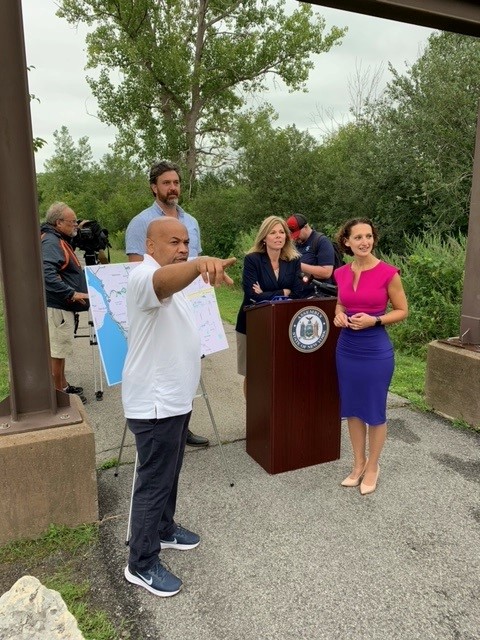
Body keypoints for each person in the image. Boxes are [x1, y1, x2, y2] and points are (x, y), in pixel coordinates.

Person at [122, 217, 235, 597]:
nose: (183, 248)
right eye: (173, 241)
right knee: (153, 483)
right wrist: (198, 265)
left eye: (187, 242)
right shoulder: (143, 276)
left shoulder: (178, 279)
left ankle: (164, 529)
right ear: (150, 246)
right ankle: (140, 563)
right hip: (154, 405)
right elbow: (159, 285)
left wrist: (195, 272)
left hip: (175, 401)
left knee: (169, 474)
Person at [125, 160, 208, 448]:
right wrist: (196, 267)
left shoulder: (191, 220)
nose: (173, 187)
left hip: (188, 300)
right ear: (154, 187)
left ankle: (182, 425)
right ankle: (168, 428)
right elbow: (147, 275)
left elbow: (191, 265)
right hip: (157, 306)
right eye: (166, 183)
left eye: (176, 182)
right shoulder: (141, 223)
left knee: (185, 365)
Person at [333, 218, 408, 495]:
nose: (365, 242)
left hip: (375, 350)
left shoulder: (388, 273)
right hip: (346, 348)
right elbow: (341, 303)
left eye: (369, 236)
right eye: (358, 237)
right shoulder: (340, 273)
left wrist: (375, 321)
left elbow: (402, 310)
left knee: (374, 411)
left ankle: (373, 466)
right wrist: (339, 315)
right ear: (347, 242)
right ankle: (358, 462)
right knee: (352, 409)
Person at [235, 215, 303, 395]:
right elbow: (251, 295)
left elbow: (297, 292)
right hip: (252, 325)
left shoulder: (293, 260)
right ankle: (253, 416)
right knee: (253, 374)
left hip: (283, 325)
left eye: (281, 232)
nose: (278, 236)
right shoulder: (253, 260)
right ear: (264, 237)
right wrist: (283, 292)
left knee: (278, 373)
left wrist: (265, 294)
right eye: (273, 232)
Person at [40, 202, 90, 402]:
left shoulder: (56, 238)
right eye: (72, 223)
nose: (75, 226)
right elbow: (46, 273)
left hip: (59, 306)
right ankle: (58, 397)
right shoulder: (52, 242)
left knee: (60, 352)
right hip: (57, 307)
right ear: (59, 223)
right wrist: (71, 293)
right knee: (56, 352)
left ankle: (62, 385)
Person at [286, 213, 335, 297]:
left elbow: (326, 272)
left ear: (305, 227)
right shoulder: (295, 244)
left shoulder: (321, 241)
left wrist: (297, 265)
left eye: (297, 234)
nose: (295, 238)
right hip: (299, 295)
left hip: (318, 295)